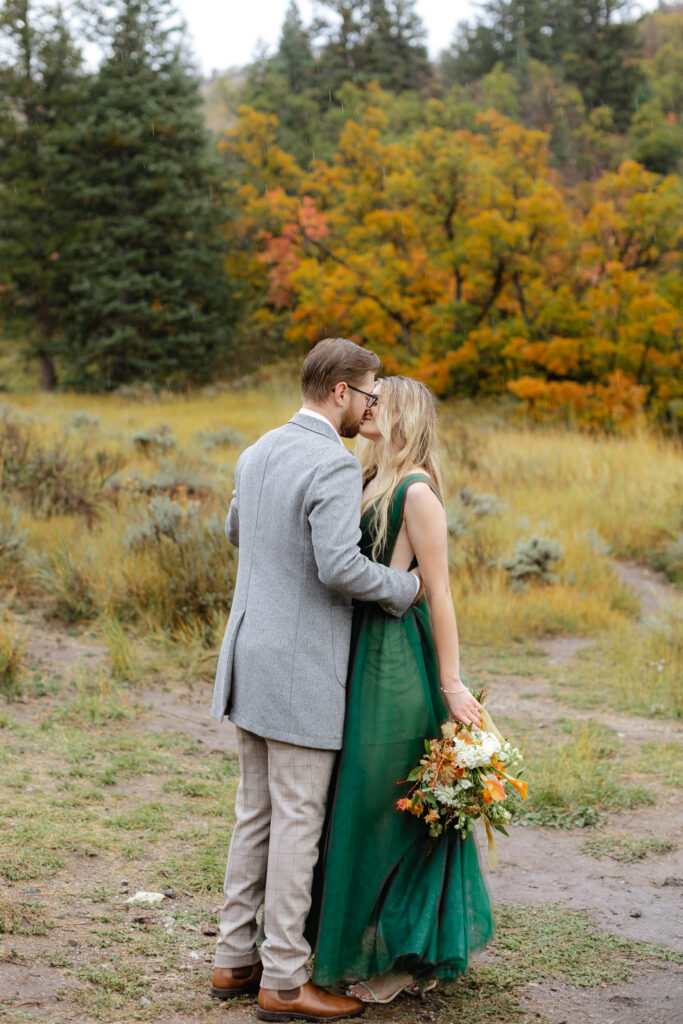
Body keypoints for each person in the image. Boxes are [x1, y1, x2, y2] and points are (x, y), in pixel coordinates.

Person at [209, 339, 424, 1023]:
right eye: (368, 394)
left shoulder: (256, 449)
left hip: (247, 657)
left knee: (255, 815)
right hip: (299, 667)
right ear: (339, 391)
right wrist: (403, 587)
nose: (371, 406)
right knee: (298, 819)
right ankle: (282, 980)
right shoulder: (331, 463)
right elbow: (337, 567)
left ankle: (231, 959)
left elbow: (235, 530)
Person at [306, 375, 493, 1004]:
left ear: (404, 414)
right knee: (352, 799)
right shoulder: (364, 479)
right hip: (356, 650)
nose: (367, 405)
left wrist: (450, 683)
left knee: (388, 800)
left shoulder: (417, 492)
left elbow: (439, 594)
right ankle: (360, 940)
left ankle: (407, 952)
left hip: (395, 660)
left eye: (378, 400)